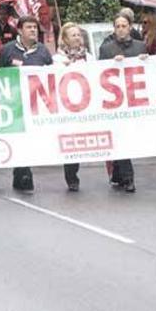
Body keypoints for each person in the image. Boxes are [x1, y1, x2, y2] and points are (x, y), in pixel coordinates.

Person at [0, 15, 52, 192]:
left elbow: (51, 76)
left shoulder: (43, 52)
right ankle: (23, 172)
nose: (33, 31)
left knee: (30, 138)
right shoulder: (8, 50)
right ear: (20, 30)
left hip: (36, 105)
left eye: (35, 28)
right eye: (29, 27)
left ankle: (22, 171)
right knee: (20, 138)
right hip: (14, 104)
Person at [98, 13, 148, 191]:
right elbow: (99, 74)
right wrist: (112, 64)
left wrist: (145, 62)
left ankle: (119, 174)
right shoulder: (106, 49)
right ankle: (128, 178)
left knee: (127, 137)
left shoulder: (141, 46)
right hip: (115, 101)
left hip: (135, 99)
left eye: (124, 26)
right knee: (121, 136)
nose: (120, 29)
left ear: (130, 27)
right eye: (117, 26)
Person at [52, 22, 95, 192]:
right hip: (68, 106)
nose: (78, 38)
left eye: (79, 35)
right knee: (72, 141)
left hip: (88, 104)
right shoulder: (57, 60)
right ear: (65, 40)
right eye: (73, 35)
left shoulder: (89, 57)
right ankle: (71, 176)